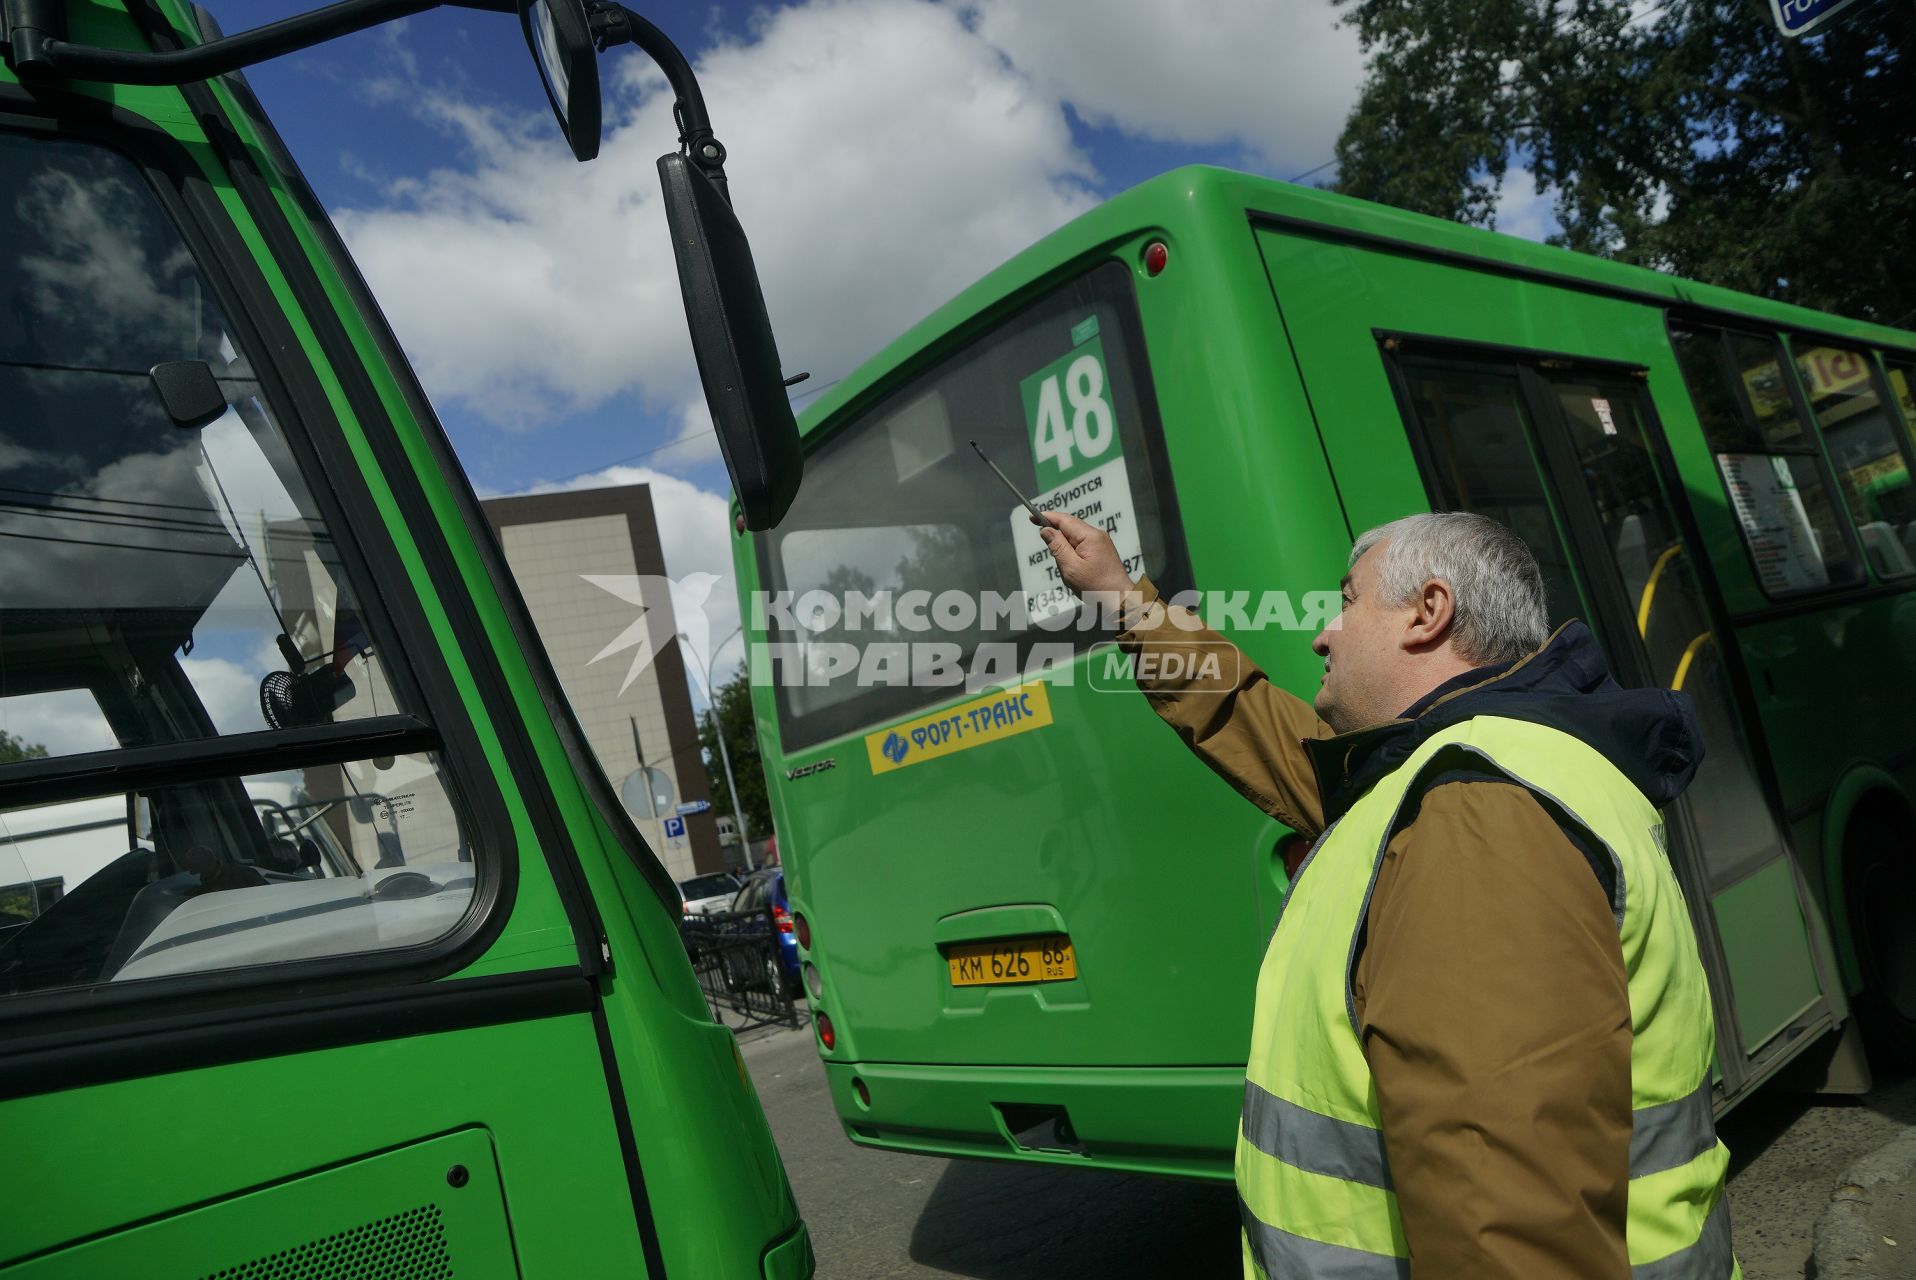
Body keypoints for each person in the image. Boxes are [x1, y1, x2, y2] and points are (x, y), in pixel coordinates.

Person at [1037, 508, 1735, 1280]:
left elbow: (1502, 1214)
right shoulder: (1436, 776)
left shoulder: (1476, 812)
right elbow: (1253, 721)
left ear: (1428, 613)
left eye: (1347, 601)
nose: (1322, 635)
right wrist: (1123, 599)